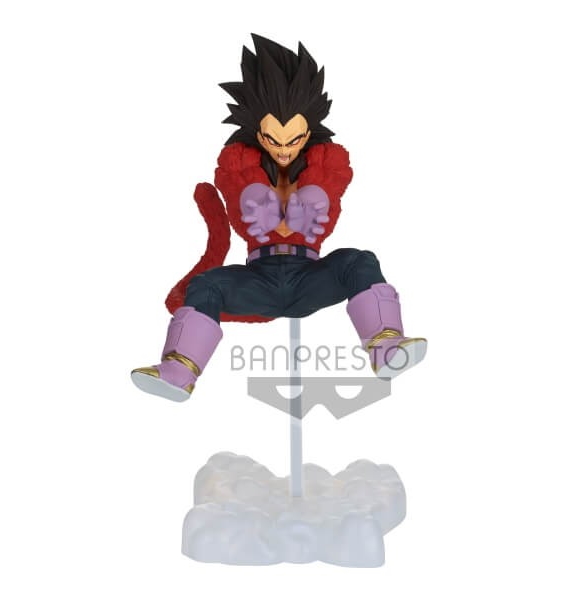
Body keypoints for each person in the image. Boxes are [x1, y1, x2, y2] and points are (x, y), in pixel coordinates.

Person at [131, 34, 427, 402]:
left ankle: (386, 347)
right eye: (273, 140)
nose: (284, 150)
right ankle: (178, 372)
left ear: (309, 131)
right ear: (258, 132)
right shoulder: (240, 163)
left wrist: (318, 195)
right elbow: (232, 184)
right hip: (260, 278)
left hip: (309, 276)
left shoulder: (325, 162)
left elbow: (333, 184)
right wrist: (250, 196)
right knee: (206, 286)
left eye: (294, 140)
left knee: (358, 261)